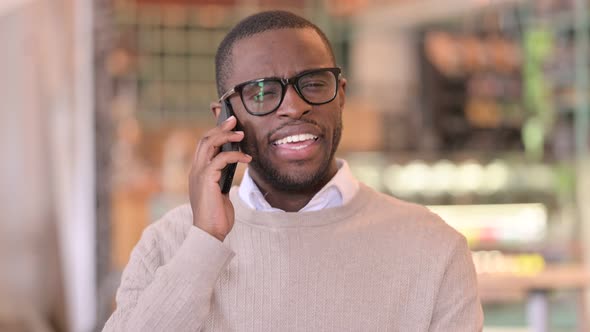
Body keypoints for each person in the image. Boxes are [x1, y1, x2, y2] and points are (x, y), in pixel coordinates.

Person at [103, 10, 483, 332]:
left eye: (314, 84)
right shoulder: (169, 244)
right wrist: (205, 240)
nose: (294, 106)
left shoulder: (434, 250)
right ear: (225, 119)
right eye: (263, 92)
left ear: (342, 96)